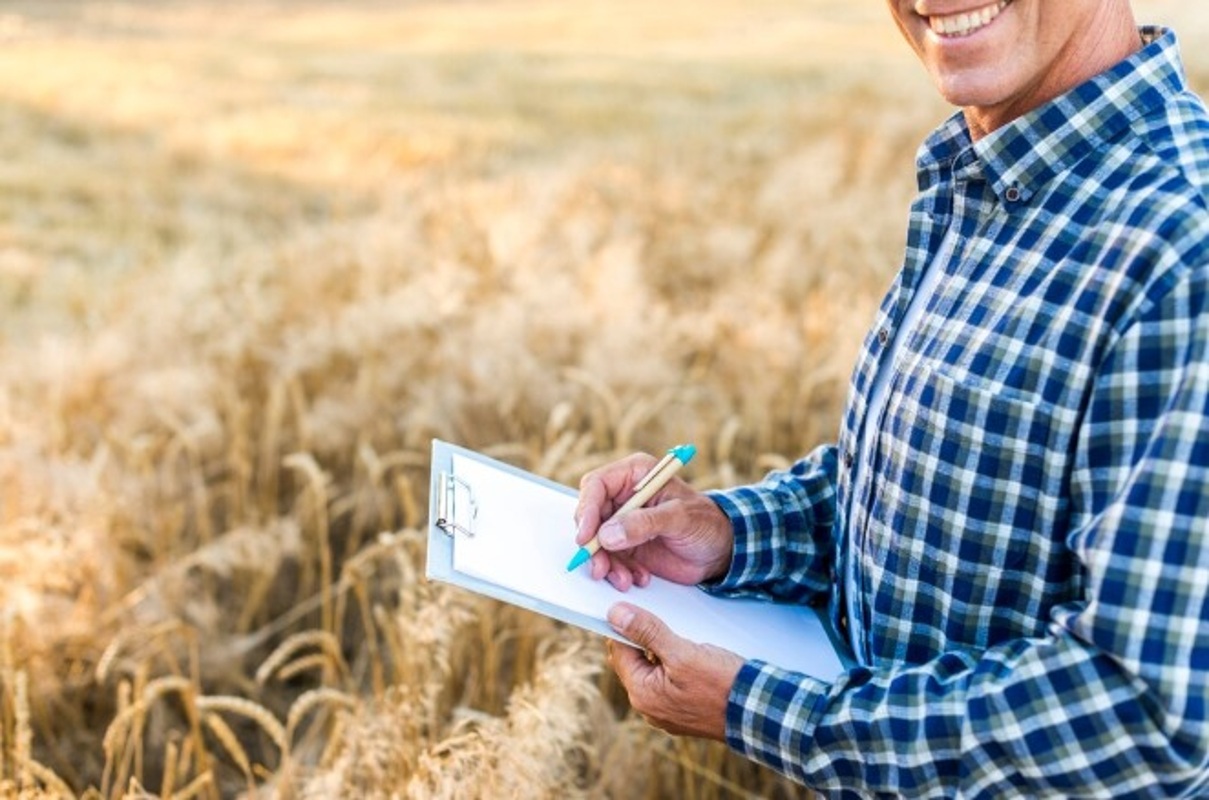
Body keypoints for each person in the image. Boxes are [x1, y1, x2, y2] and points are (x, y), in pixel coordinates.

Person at [573, 1, 1209, 796]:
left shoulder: (1183, 248)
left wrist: (764, 711)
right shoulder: (984, 175)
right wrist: (733, 535)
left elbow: (1143, 713)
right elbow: (942, 490)